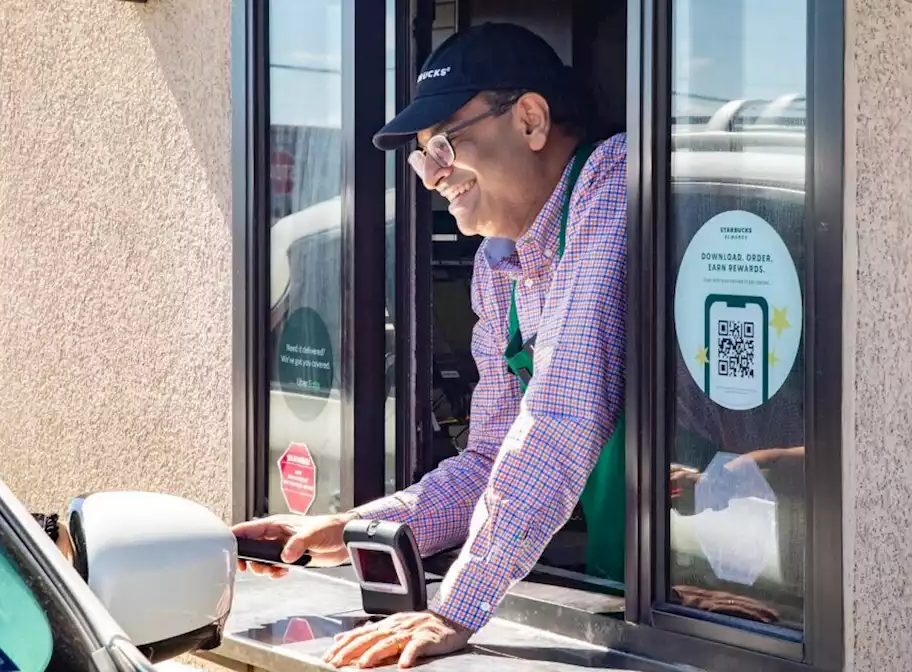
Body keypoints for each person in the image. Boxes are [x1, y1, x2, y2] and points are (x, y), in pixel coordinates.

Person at [232, 23, 629, 669]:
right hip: (631, 588)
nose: (432, 176)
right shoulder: (501, 266)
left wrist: (457, 607)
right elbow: (493, 458)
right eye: (422, 158)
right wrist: (357, 528)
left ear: (530, 119)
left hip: (716, 581)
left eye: (443, 145)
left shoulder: (612, 184)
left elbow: (562, 415)